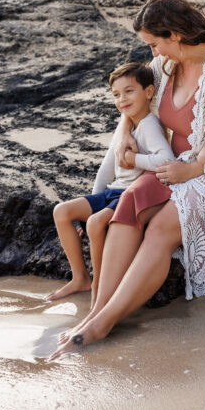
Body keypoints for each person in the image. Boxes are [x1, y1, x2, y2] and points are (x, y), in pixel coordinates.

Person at [48, 0, 205, 360]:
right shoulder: (163, 65)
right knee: (128, 205)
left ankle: (103, 323)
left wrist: (194, 168)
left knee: (161, 227)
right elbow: (136, 102)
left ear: (175, 35)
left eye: (154, 42)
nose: (152, 50)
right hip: (171, 164)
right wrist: (124, 130)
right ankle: (95, 311)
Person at [45, 62, 174, 304]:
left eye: (129, 91)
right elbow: (106, 168)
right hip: (112, 192)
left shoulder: (149, 125)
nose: (122, 99)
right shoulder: (124, 125)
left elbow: (166, 160)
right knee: (62, 211)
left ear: (148, 92)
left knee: (95, 224)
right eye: (116, 94)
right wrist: (91, 205)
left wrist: (134, 159)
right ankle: (80, 278)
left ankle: (99, 286)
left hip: (130, 195)